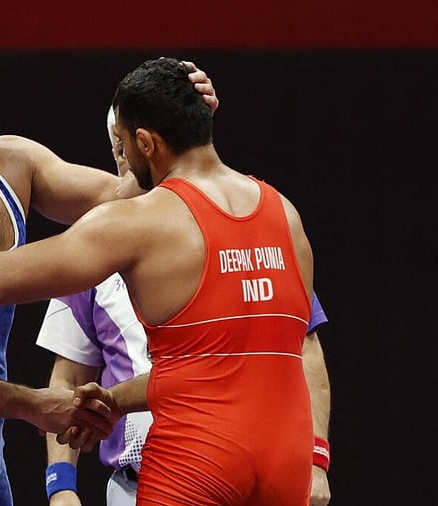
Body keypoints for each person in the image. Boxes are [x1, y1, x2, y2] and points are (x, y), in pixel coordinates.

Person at [0, 57, 316, 505]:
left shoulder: (17, 169)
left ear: (144, 143)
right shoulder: (283, 214)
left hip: (198, 454)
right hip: (284, 454)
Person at [37, 109, 333, 506]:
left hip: (249, 475)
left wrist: (315, 458)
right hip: (140, 483)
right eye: (117, 150)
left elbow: (302, 348)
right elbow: (69, 378)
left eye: (131, 149)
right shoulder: (92, 248)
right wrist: (61, 486)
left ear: (151, 145)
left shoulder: (250, 230)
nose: (127, 165)